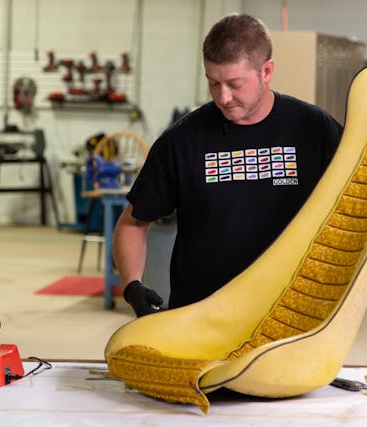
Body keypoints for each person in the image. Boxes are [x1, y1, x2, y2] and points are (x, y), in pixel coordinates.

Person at [114, 13, 343, 317]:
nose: (223, 97)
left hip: (292, 312)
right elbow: (132, 222)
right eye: (213, 83)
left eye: (235, 84)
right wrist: (132, 286)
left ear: (267, 71)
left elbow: (357, 205)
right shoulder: (182, 141)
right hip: (201, 314)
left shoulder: (315, 129)